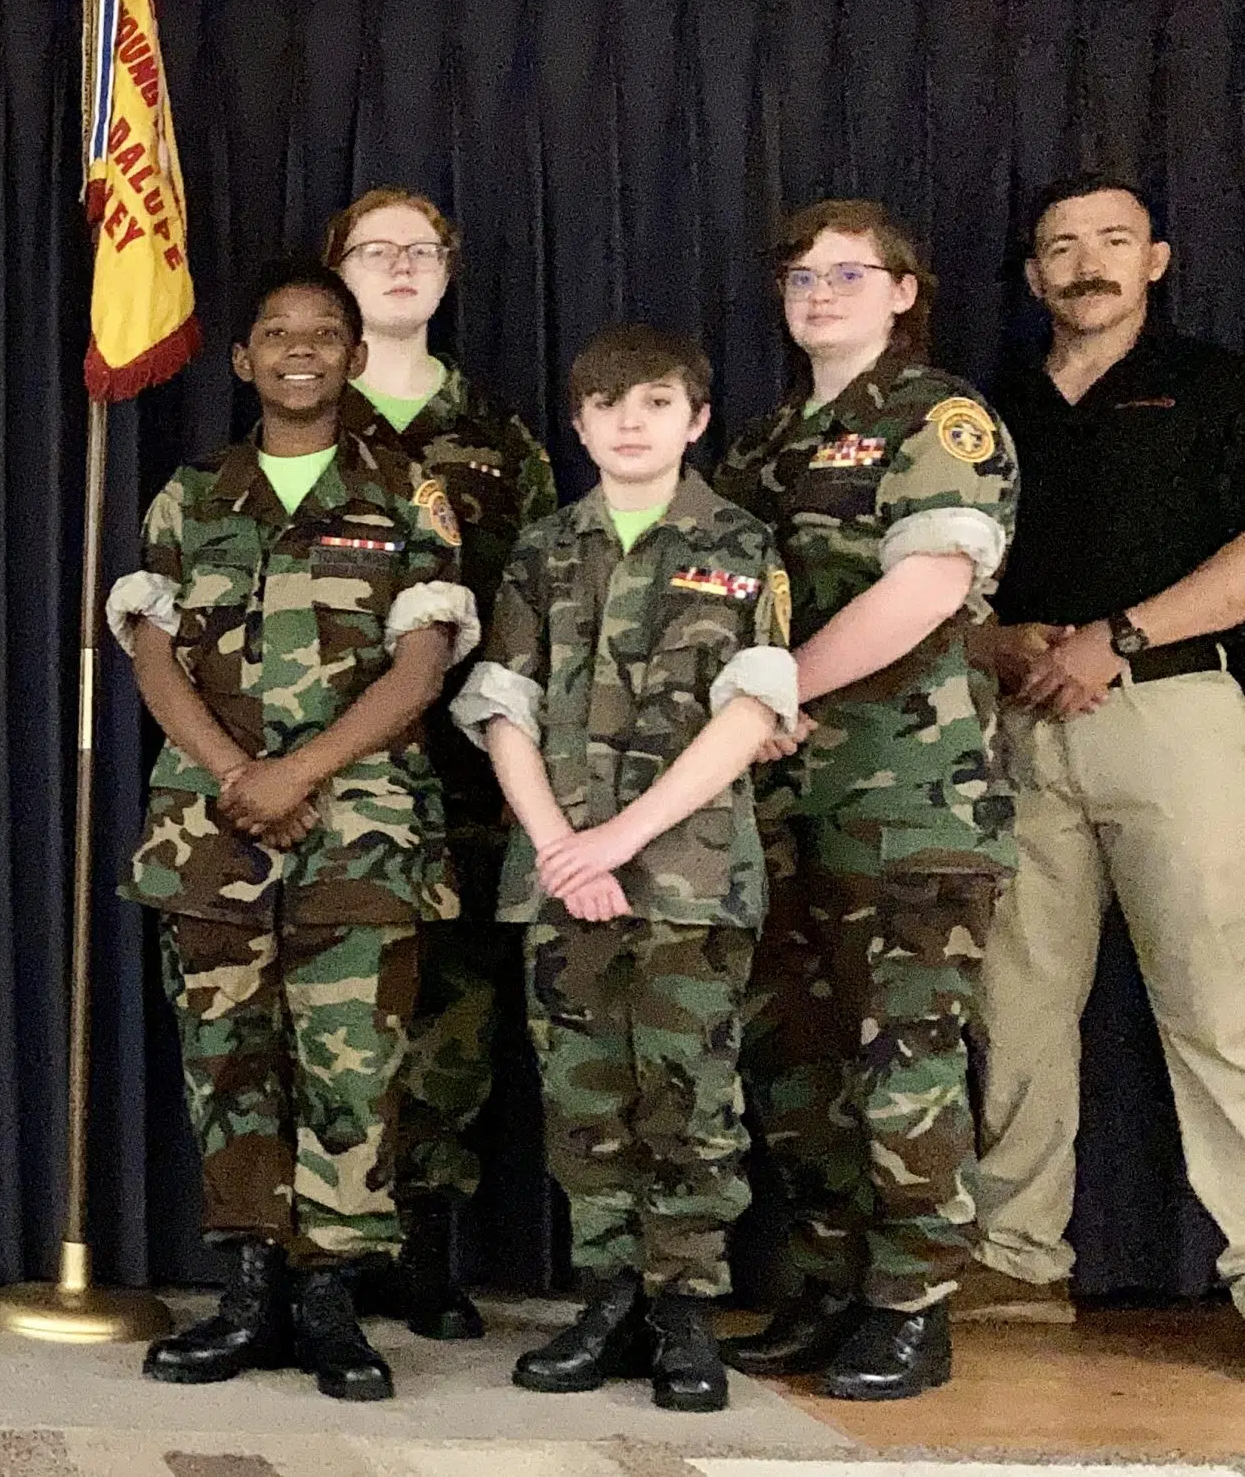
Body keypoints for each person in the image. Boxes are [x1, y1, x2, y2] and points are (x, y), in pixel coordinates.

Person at [109, 257, 479, 1403]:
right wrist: (235, 773)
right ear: (243, 358)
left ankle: (331, 1299)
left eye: (324, 332)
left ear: (355, 356)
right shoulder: (188, 494)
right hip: (211, 831)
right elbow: (151, 652)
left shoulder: (409, 492)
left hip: (358, 830)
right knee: (227, 1067)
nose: (301, 349)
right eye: (277, 333)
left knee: (351, 1071)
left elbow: (422, 663)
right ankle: (249, 1287)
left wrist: (300, 769)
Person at [453, 326, 797, 1414]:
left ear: (696, 418)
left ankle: (683, 1302)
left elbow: (749, 713)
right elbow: (498, 704)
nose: (629, 421)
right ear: (577, 422)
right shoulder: (544, 547)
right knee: (582, 1097)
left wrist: (616, 838)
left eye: (654, 401)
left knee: (688, 1097)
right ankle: (607, 1293)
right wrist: (562, 844)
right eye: (605, 404)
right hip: (559, 874)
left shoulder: (740, 541)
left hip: (686, 874)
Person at [711, 201, 1019, 1403]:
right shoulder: (762, 440)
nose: (821, 291)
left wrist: (782, 682)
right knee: (792, 1057)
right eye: (800, 274)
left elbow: (931, 583)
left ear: (904, 290)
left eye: (850, 273)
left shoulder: (935, 417)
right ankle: (825, 1283)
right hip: (778, 794)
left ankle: (910, 1303)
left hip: (909, 794)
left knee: (904, 1052)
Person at [958, 174, 1245, 1331]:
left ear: (1157, 260)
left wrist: (1116, 639)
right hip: (1015, 724)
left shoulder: (1213, 385)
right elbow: (941, 573)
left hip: (1169, 713)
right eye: (1062, 246)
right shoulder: (987, 407)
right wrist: (991, 641)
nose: (1087, 263)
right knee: (1014, 1005)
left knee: (1216, 1004)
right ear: (1032, 275)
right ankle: (1016, 1258)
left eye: (1112, 241)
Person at [323, 188, 558, 1338]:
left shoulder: (498, 433)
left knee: (454, 1013)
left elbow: (539, 593)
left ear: (450, 270)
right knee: (331, 1010)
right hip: (328, 765)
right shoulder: (299, 409)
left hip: (462, 767)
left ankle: (425, 1244)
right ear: (339, 272)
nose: (400, 267)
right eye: (375, 250)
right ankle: (325, 1243)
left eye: (421, 249)